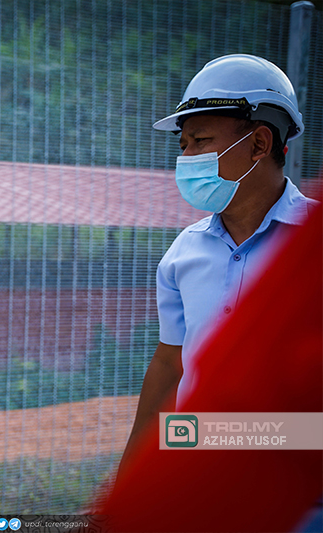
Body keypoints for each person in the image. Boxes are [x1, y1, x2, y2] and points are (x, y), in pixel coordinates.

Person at [120, 54, 317, 470]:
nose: (187, 157)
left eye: (201, 141)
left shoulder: (312, 246)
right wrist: (130, 475)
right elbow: (170, 365)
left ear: (259, 144)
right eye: (183, 145)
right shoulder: (182, 255)